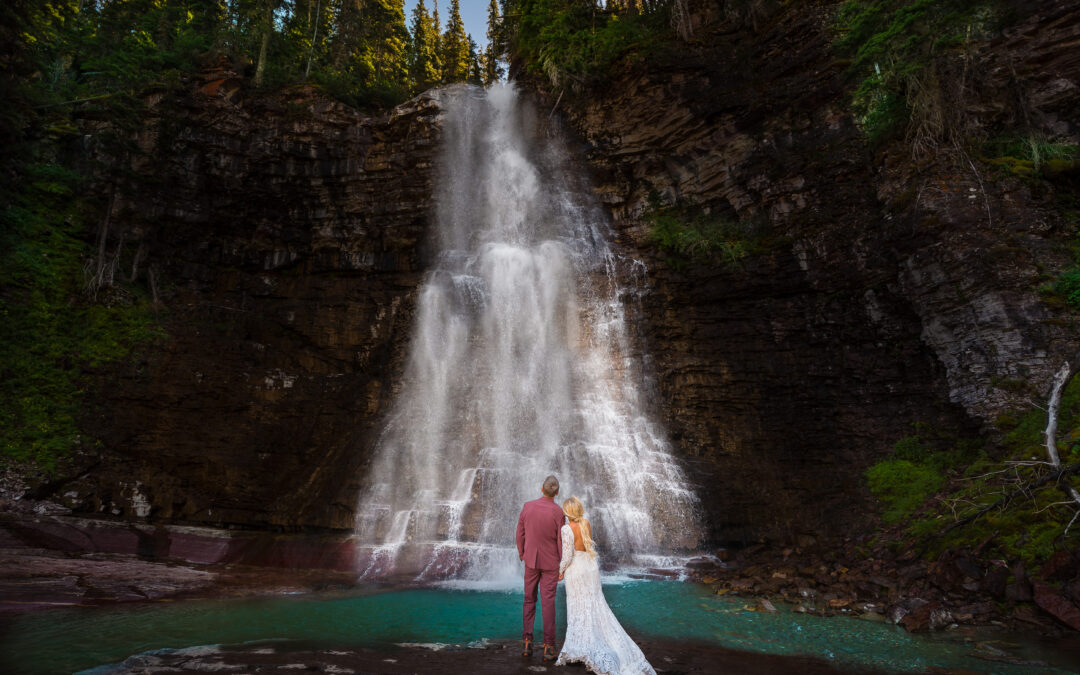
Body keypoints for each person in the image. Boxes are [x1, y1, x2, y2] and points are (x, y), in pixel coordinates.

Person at [556, 497, 656, 675]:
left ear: (567, 512)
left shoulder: (566, 528)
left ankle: (580, 647)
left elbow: (567, 555)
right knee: (595, 604)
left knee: (578, 606)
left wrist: (560, 571)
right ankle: (597, 643)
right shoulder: (586, 523)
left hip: (576, 569)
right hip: (590, 567)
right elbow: (587, 547)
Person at [516, 474, 565, 662]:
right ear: (557, 493)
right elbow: (560, 541)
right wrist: (563, 566)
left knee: (529, 600)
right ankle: (548, 647)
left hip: (530, 561)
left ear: (541, 489)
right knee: (548, 603)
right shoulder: (558, 512)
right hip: (551, 563)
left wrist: (522, 554)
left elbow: (519, 534)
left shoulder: (528, 507)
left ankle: (527, 643)